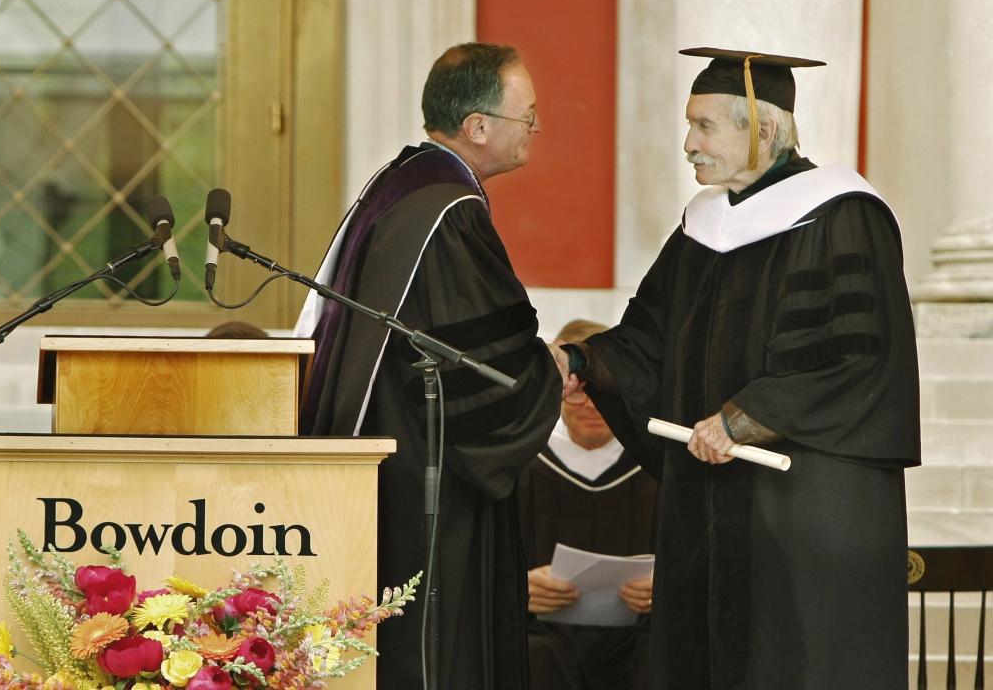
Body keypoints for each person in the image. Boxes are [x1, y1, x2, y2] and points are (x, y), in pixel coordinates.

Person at [551, 48, 921, 690]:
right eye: (687, 125)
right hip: (710, 505)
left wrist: (743, 419)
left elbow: (860, 358)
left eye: (704, 126)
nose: (688, 145)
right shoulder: (703, 228)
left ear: (766, 129)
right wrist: (585, 361)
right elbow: (648, 338)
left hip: (804, 506)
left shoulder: (842, 215)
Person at [292, 43, 561, 690]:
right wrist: (546, 371)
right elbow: (489, 374)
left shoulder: (399, 184)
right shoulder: (449, 213)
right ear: (478, 127)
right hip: (423, 473)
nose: (535, 130)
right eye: (529, 116)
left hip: (381, 453)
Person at [519, 319, 656, 690]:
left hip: (641, 634)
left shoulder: (656, 469)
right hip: (545, 633)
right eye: (578, 391)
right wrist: (519, 588)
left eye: (601, 391)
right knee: (530, 654)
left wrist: (666, 587)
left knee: (662, 652)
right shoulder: (522, 466)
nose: (591, 405)